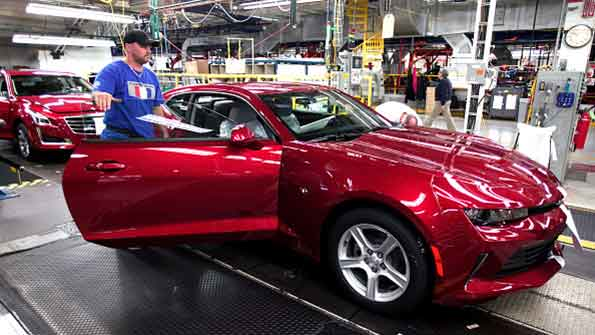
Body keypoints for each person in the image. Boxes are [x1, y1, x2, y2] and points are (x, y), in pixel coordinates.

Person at [93, 30, 168, 139]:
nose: (148, 51)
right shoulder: (112, 71)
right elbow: (98, 94)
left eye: (149, 47)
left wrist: (163, 131)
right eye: (143, 46)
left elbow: (155, 107)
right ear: (128, 47)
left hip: (146, 138)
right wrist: (99, 95)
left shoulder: (151, 77)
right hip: (118, 139)